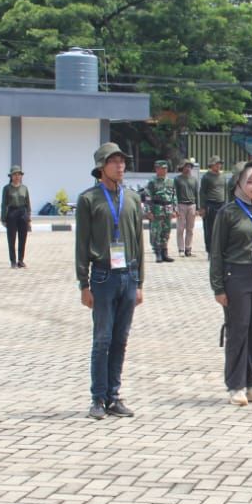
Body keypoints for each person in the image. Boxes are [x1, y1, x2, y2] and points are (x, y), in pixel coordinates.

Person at [76, 143, 145, 420]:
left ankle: (114, 396)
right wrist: (83, 283)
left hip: (127, 275)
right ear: (101, 167)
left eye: (122, 161)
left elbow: (139, 241)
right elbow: (81, 243)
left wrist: (139, 281)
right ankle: (97, 398)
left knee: (121, 339)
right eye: (114, 162)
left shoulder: (131, 199)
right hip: (103, 275)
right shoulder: (89, 199)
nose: (120, 166)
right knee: (102, 339)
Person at [210, 164, 252, 406]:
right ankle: (236, 385)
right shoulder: (227, 213)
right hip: (237, 276)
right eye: (250, 182)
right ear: (239, 183)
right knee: (238, 331)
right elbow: (216, 252)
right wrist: (218, 287)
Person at [142, 160, 177, 262]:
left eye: (165, 168)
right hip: (157, 210)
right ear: (157, 169)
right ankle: (157, 253)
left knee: (166, 231)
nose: (164, 170)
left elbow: (174, 196)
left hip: (168, 210)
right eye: (162, 168)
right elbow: (148, 197)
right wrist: (148, 211)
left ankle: (164, 253)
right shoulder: (152, 182)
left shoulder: (171, 181)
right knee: (156, 232)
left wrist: (175, 209)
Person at [2, 165, 32, 268]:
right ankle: (13, 261)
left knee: (22, 237)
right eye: (14, 174)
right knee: (11, 238)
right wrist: (3, 218)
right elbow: (4, 204)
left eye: (19, 174)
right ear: (11, 176)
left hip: (22, 212)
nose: (17, 176)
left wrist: (28, 217)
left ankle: (20, 260)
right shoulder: (7, 188)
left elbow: (28, 203)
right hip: (12, 212)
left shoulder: (24, 188)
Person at [199, 155, 228, 258]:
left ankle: (220, 250)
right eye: (216, 164)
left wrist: (226, 204)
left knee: (222, 229)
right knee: (209, 229)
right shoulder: (206, 177)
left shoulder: (223, 177)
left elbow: (225, 191)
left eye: (220, 164)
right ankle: (210, 251)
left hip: (221, 204)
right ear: (211, 165)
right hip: (210, 204)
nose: (218, 166)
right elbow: (202, 192)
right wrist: (202, 208)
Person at [174, 159, 200, 257]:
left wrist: (198, 207)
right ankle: (181, 249)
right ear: (182, 167)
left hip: (192, 205)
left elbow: (197, 193)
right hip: (181, 205)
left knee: (190, 229)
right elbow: (174, 194)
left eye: (189, 166)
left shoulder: (194, 180)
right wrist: (175, 207)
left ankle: (188, 249)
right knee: (180, 228)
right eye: (186, 166)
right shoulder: (177, 179)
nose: (188, 168)